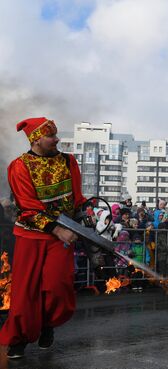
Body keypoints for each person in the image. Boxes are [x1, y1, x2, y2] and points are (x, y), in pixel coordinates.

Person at [0, 117, 86, 359]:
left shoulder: (69, 162)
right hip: (31, 234)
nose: (57, 140)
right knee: (25, 292)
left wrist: (83, 219)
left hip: (63, 234)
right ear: (36, 139)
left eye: (56, 134)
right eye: (51, 136)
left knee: (58, 286)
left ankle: (47, 324)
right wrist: (57, 229)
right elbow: (27, 208)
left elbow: (77, 198)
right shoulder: (19, 166)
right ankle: (17, 339)